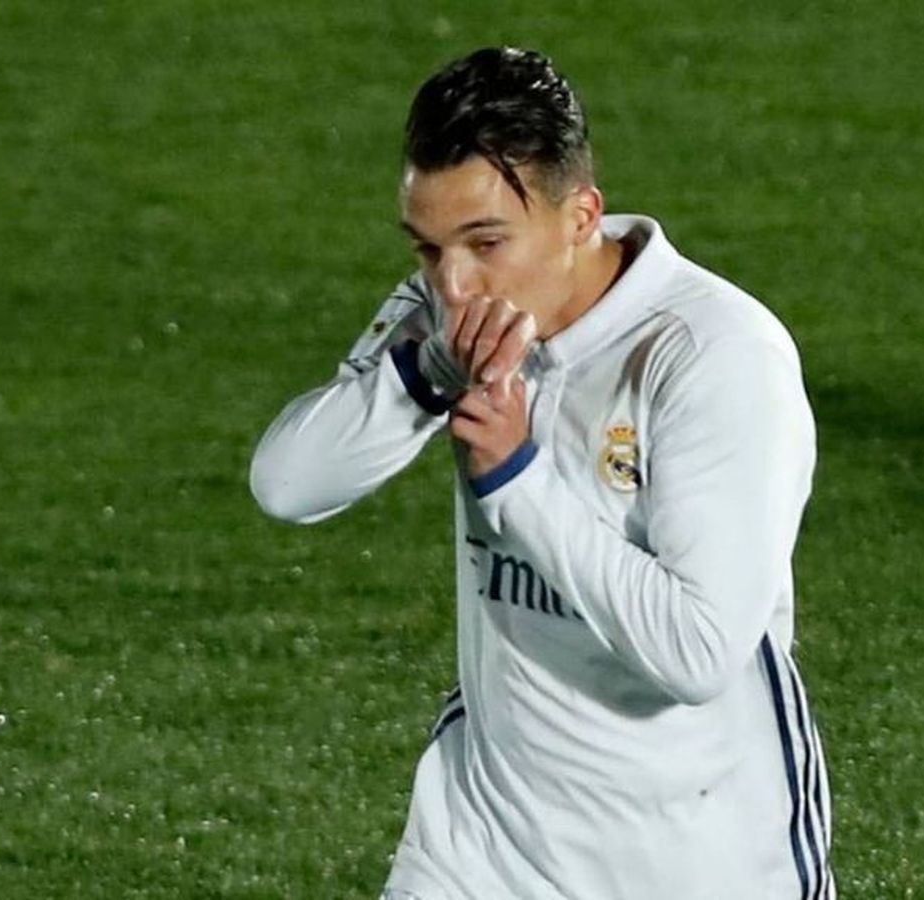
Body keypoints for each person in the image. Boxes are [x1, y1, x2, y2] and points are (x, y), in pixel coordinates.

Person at [250, 47, 833, 900]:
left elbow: (700, 651)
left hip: (693, 851)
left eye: (485, 242)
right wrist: (423, 375)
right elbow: (288, 484)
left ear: (581, 216)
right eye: (427, 249)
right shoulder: (444, 317)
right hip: (485, 840)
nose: (453, 283)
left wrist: (516, 481)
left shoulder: (713, 354)